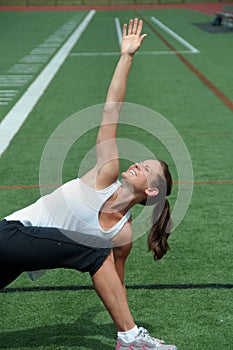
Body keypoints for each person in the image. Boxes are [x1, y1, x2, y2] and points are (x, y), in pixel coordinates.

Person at [0, 18, 177, 350]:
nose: (139, 163)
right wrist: (127, 56)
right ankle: (129, 339)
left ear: (151, 191)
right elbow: (112, 109)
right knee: (93, 250)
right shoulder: (106, 172)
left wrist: (122, 317)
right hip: (10, 234)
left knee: (96, 252)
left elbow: (115, 284)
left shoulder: (122, 234)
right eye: (143, 160)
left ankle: (128, 333)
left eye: (147, 168)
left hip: (14, 258)